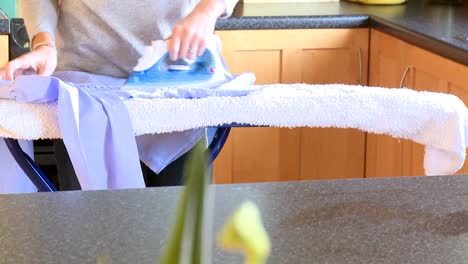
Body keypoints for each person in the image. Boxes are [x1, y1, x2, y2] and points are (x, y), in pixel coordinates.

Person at [0, 0, 238, 190]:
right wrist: (44, 43)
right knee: (91, 226)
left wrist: (208, 9)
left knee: (181, 230)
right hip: (86, 90)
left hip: (177, 81)